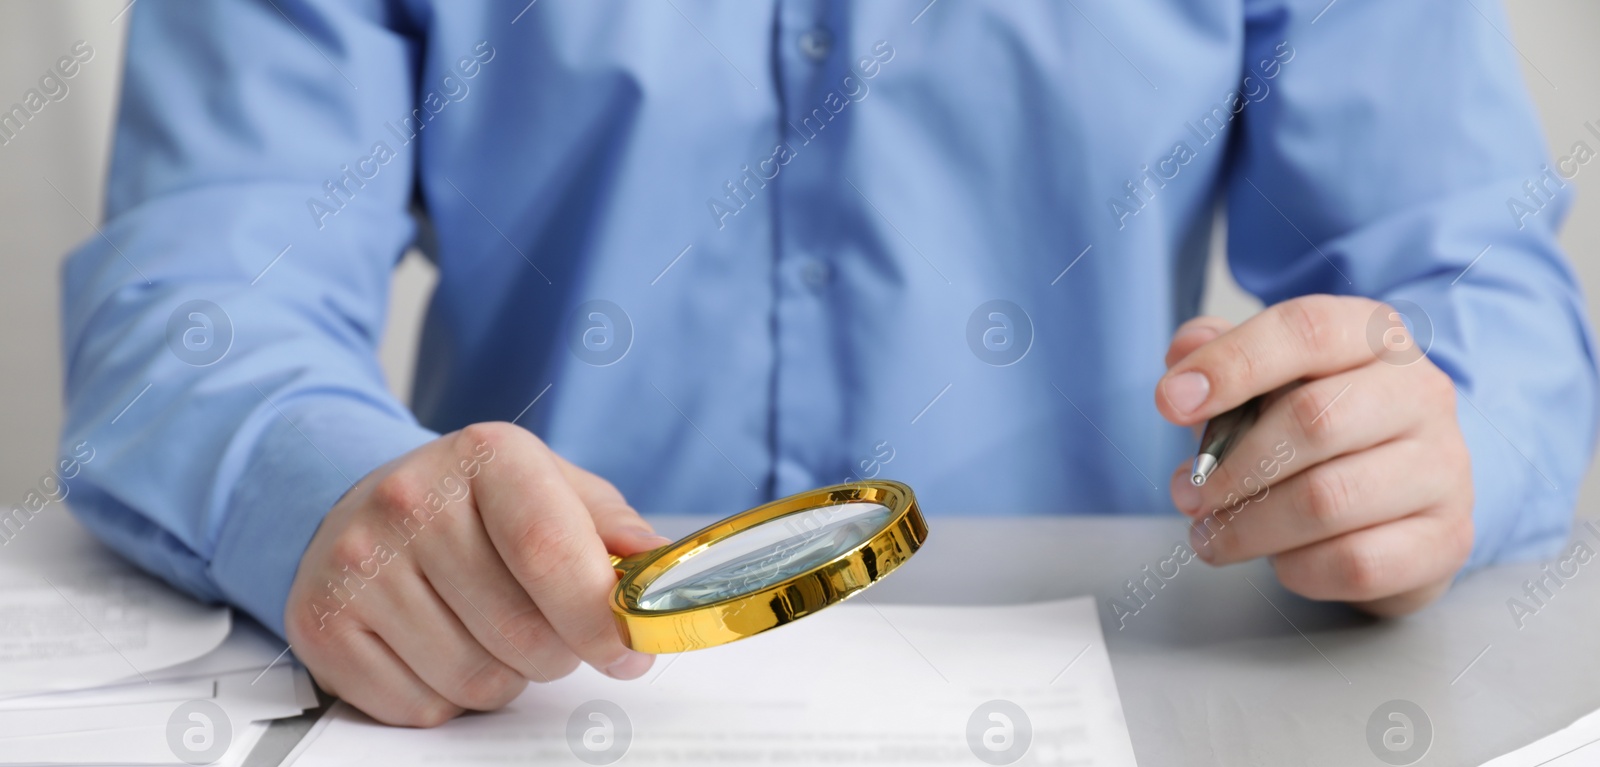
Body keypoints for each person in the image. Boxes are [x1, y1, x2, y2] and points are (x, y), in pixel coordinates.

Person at [61, 1, 1595, 726]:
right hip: (510, 723)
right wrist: (333, 496)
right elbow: (193, 290)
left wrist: (1425, 440)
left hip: (1118, 728)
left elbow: (1475, 285)